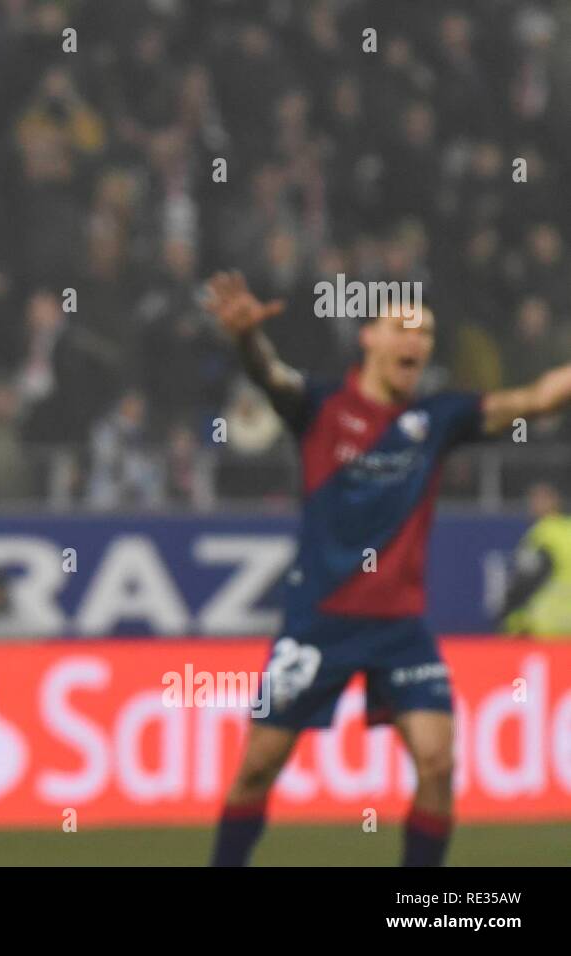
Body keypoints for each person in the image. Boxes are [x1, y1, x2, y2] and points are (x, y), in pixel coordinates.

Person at [203, 271, 571, 867]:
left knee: (438, 762)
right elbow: (267, 372)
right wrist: (246, 338)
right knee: (257, 768)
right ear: (369, 337)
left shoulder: (438, 419)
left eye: (426, 333)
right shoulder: (321, 406)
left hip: (400, 628)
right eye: (404, 328)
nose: (418, 342)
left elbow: (535, 399)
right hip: (318, 622)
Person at [498, 481, 571, 640]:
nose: (533, 504)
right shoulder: (568, 529)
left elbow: (525, 580)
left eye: (539, 499)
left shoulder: (542, 534)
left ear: (554, 501)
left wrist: (506, 613)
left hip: (546, 626)